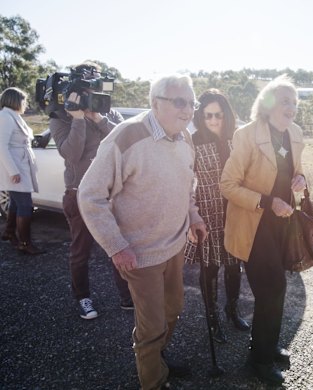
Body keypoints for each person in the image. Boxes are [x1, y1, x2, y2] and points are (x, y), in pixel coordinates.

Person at [77, 73, 207, 390]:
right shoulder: (126, 137)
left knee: (173, 310)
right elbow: (90, 195)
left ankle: (157, 358)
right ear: (155, 103)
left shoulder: (185, 138)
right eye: (180, 102)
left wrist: (193, 215)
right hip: (140, 254)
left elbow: (186, 185)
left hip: (175, 245)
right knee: (151, 327)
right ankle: (153, 380)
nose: (188, 110)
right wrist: (117, 247)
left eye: (192, 103)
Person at [220, 75, 306, 386]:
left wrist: (301, 180)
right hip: (254, 227)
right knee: (273, 289)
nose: (292, 108)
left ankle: (266, 346)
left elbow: (295, 171)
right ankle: (259, 360)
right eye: (285, 101)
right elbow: (227, 185)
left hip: (283, 226)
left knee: (275, 289)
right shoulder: (246, 135)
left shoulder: (294, 133)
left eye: (295, 102)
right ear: (268, 104)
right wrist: (267, 202)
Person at [49, 61, 132, 320]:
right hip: (79, 193)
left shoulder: (109, 112)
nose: (91, 93)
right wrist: (78, 120)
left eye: (96, 86)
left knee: (117, 245)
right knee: (80, 251)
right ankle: (83, 297)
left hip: (112, 193)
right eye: (86, 88)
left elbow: (122, 143)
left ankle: (127, 296)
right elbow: (71, 154)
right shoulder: (60, 116)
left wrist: (99, 118)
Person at [184, 89, 250, 344]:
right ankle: (212, 319)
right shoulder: (194, 140)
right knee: (210, 267)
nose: (213, 120)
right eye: (208, 115)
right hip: (208, 211)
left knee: (235, 266)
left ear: (227, 115)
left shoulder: (238, 138)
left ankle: (232, 310)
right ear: (201, 115)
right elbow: (187, 179)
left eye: (219, 115)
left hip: (236, 211)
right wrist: (192, 214)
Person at [0, 87, 45, 255]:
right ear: (15, 100)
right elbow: (1, 146)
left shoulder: (13, 116)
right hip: (15, 167)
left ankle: (9, 232)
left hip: (20, 164)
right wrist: (13, 171)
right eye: (23, 100)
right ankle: (25, 243)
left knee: (16, 203)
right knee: (25, 205)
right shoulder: (5, 117)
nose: (25, 104)